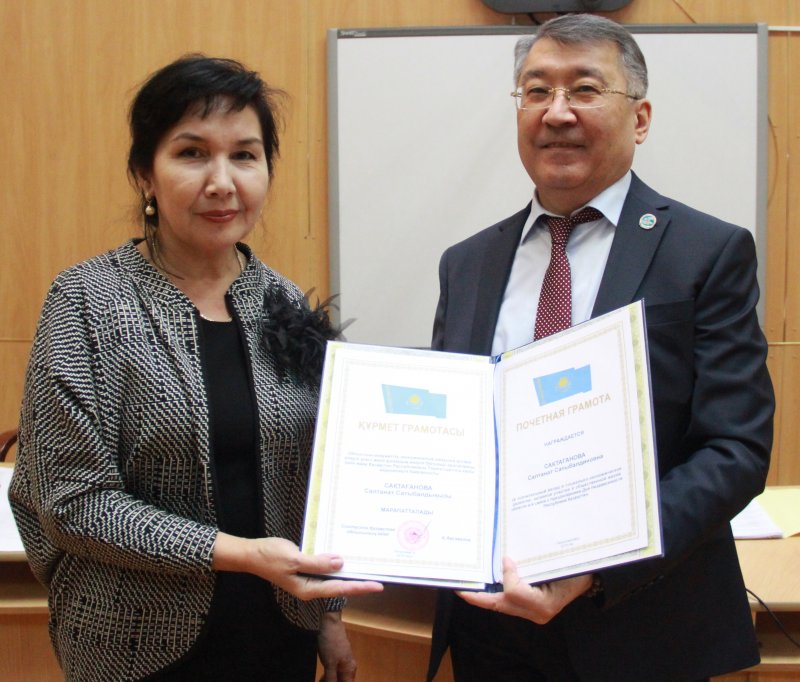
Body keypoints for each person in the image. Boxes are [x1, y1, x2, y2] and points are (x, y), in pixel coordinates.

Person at [9, 55, 382, 682]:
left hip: (278, 638)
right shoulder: (85, 301)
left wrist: (329, 614)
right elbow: (71, 503)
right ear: (144, 175)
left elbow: (316, 482)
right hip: (131, 642)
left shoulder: (284, 303)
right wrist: (242, 555)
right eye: (191, 153)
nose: (222, 182)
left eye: (245, 155)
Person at [427, 13, 774, 682]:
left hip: (643, 625)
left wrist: (596, 564)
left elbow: (735, 449)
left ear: (640, 119)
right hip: (492, 626)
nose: (556, 112)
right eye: (537, 90)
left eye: (585, 89)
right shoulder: (466, 262)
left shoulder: (708, 252)